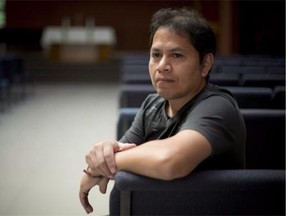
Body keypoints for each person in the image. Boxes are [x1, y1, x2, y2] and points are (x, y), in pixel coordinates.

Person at [79, 7, 246, 214]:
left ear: (205, 64)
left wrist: (107, 163)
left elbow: (171, 160)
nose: (162, 66)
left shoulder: (218, 106)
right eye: (156, 55)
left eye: (176, 55)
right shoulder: (152, 104)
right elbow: (124, 149)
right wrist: (104, 151)